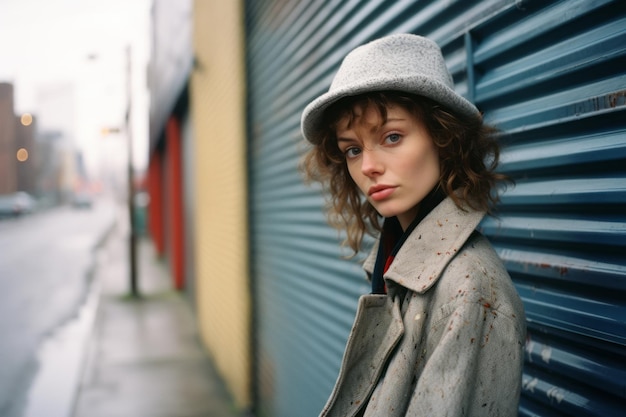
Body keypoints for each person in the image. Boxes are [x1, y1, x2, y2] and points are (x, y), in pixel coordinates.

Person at [300, 33, 526, 417]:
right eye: (352, 149)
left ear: (444, 139)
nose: (367, 165)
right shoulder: (394, 265)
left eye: (392, 137)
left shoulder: (470, 290)